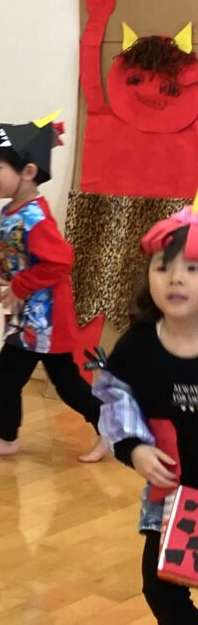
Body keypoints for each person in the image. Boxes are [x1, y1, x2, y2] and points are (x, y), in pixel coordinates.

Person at [0, 113, 106, 462]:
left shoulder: (36, 218)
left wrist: (20, 284)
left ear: (28, 171)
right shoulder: (11, 212)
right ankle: (9, 436)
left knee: (33, 381)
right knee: (33, 380)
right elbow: (5, 251)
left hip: (46, 323)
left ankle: (8, 437)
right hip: (28, 320)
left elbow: (60, 261)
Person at [94, 199, 198, 622]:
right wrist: (134, 447)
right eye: (163, 266)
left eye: (192, 268)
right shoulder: (137, 345)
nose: (176, 278)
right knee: (161, 585)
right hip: (174, 499)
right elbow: (114, 399)